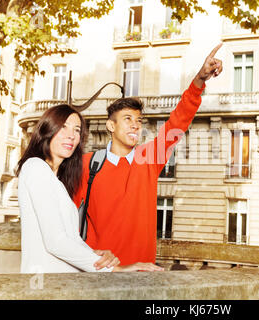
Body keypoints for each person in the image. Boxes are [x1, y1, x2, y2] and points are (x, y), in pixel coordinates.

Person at [73, 43, 223, 270]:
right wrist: (87, 252)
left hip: (143, 275)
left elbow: (178, 120)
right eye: (127, 119)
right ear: (110, 126)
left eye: (139, 120)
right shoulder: (87, 164)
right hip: (100, 274)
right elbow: (64, 219)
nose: (135, 125)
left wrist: (199, 81)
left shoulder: (149, 158)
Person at [16, 104, 121, 273]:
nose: (71, 135)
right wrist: (114, 270)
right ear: (47, 130)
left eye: (77, 130)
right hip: (46, 286)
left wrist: (96, 257)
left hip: (64, 284)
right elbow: (55, 242)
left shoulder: (57, 181)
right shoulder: (35, 167)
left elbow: (69, 239)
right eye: (63, 127)